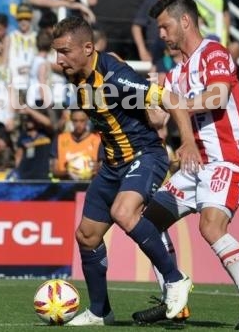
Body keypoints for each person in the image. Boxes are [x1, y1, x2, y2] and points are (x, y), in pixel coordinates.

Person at [131, 0, 239, 329]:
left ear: (185, 21)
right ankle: (173, 302)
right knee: (146, 222)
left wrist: (176, 105)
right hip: (195, 167)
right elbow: (161, 117)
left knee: (211, 226)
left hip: (227, 159)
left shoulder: (214, 53)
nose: (161, 35)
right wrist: (142, 104)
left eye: (165, 27)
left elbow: (218, 96)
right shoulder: (176, 73)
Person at [51, 16, 199, 326]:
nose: (58, 60)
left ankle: (175, 279)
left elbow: (171, 99)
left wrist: (186, 141)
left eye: (64, 52)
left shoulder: (115, 78)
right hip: (112, 165)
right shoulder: (78, 71)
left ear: (88, 48)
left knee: (124, 212)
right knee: (87, 236)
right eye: (56, 52)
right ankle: (100, 311)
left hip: (145, 156)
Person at [132, 0, 180, 67]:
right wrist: (143, 51)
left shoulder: (182, 4)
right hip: (155, 56)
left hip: (177, 56)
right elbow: (136, 26)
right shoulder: (151, 1)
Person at [51, 109, 102, 180]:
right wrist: (70, 172)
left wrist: (97, 169)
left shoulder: (97, 140)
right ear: (70, 120)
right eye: (75, 121)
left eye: (82, 120)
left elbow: (103, 168)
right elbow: (54, 170)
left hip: (89, 186)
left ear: (87, 120)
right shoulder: (60, 139)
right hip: (65, 185)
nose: (78, 124)